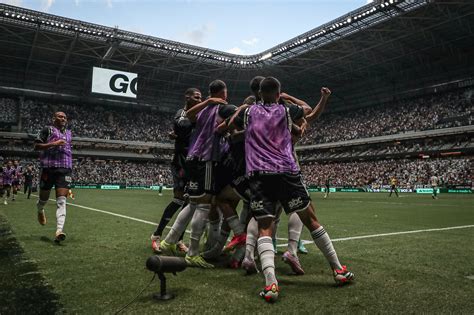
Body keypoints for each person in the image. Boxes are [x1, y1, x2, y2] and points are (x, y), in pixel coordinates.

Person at [230, 77, 353, 302]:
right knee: (311, 219)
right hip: (287, 173)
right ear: (278, 94)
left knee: (265, 228)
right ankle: (338, 270)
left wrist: (246, 133)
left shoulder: (247, 113)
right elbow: (311, 114)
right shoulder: (287, 109)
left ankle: (271, 285)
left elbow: (231, 126)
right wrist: (323, 98)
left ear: (259, 93)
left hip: (259, 176)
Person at [150, 88, 203, 254]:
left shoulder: (200, 114)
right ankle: (156, 235)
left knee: (189, 203)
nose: (200, 99)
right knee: (179, 199)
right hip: (180, 161)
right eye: (196, 97)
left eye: (201, 97)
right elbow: (182, 126)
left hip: (194, 162)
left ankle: (178, 239)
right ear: (187, 97)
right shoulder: (182, 112)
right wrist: (180, 135)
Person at [34, 111, 73, 243]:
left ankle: (59, 231)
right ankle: (40, 209)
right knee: (43, 198)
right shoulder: (47, 130)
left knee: (62, 200)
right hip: (48, 168)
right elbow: (36, 146)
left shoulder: (69, 133)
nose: (63, 118)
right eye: (60, 116)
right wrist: (54, 144)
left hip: (65, 169)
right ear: (54, 118)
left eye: (64, 117)